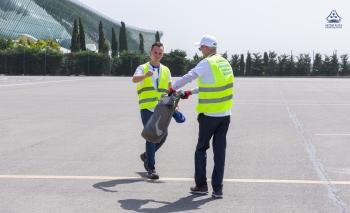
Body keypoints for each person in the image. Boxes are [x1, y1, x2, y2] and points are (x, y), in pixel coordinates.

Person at [169, 35, 234, 198]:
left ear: (205, 48)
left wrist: (173, 88)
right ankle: (218, 189)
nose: (200, 52)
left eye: (200, 49)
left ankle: (201, 185)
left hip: (210, 116)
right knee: (220, 153)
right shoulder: (224, 63)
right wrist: (191, 92)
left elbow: (189, 76)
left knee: (201, 150)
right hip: (225, 115)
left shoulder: (207, 63)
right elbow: (211, 85)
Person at [132, 42, 172, 179]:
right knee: (151, 136)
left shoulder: (166, 70)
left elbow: (170, 89)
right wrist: (145, 76)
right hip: (147, 108)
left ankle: (146, 156)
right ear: (150, 52)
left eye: (160, 53)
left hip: (161, 108)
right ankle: (151, 168)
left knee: (163, 136)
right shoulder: (142, 68)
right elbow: (134, 79)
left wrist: (175, 104)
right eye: (155, 52)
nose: (157, 55)